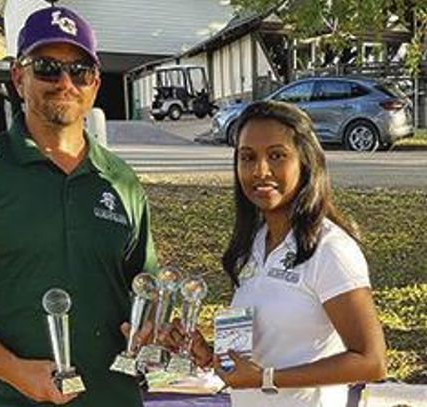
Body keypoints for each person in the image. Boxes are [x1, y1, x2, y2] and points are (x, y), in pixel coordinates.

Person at [0, 5, 158, 407]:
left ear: (95, 83)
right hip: (12, 399)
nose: (64, 82)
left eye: (79, 71)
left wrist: (150, 325)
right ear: (18, 76)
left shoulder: (120, 180)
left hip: (113, 397)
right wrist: (15, 371)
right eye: (46, 67)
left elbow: (144, 288)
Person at [162, 101, 387, 406]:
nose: (260, 170)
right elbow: (264, 351)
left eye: (277, 156)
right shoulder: (252, 244)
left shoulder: (330, 249)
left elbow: (372, 361)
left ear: (305, 162)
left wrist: (265, 378)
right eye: (248, 157)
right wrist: (211, 355)